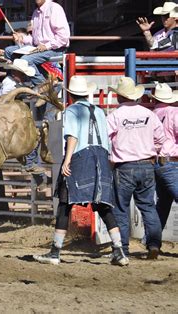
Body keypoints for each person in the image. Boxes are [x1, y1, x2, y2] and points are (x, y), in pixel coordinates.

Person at [33, 76, 129, 266]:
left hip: (80, 156)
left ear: (70, 94)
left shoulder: (72, 111)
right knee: (102, 205)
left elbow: (72, 136)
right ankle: (119, 250)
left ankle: (55, 252)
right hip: (101, 157)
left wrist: (67, 160)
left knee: (65, 204)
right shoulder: (100, 112)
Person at [107, 77, 166, 259]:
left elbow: (105, 138)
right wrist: (150, 152)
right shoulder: (149, 114)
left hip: (124, 166)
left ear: (119, 96)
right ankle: (154, 245)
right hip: (147, 164)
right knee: (148, 206)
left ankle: (123, 248)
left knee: (121, 208)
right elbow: (161, 139)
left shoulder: (115, 115)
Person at [13, 0, 70, 86]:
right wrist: (22, 38)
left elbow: (64, 37)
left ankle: (43, 87)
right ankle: (38, 84)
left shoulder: (55, 8)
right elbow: (34, 39)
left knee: (25, 60)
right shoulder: (36, 12)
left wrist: (46, 46)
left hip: (56, 49)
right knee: (9, 51)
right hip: (40, 48)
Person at [150, 83, 178, 231]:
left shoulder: (152, 114)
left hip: (155, 161)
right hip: (171, 161)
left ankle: (152, 242)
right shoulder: (174, 112)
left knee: (163, 203)